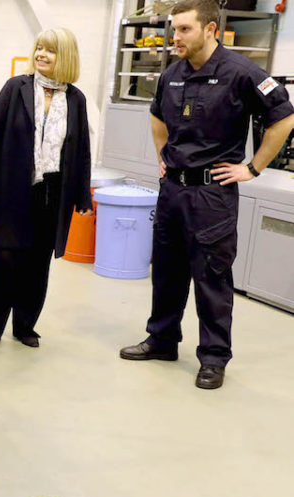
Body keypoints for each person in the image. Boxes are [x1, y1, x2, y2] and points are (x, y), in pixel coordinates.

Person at [119, 0, 294, 390]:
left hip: (212, 195)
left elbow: (284, 117)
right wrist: (162, 155)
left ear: (210, 29)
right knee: (166, 272)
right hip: (172, 192)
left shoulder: (243, 73)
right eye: (173, 29)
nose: (174, 38)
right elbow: (156, 115)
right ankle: (162, 339)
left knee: (212, 278)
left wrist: (252, 168)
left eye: (184, 30)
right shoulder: (172, 75)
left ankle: (214, 357)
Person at [0, 28, 93, 351]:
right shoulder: (16, 88)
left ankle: (25, 326)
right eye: (39, 48)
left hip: (53, 191)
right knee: (4, 259)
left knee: (38, 263)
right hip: (11, 186)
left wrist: (82, 195)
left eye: (50, 50)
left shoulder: (76, 99)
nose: (41, 54)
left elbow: (81, 149)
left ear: (64, 57)